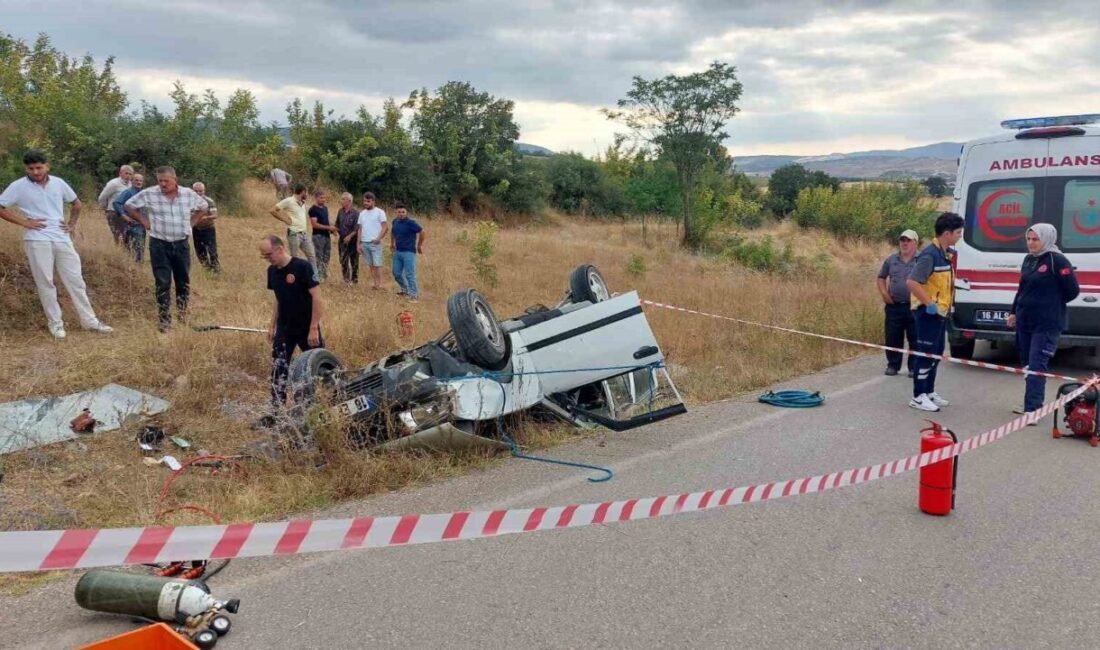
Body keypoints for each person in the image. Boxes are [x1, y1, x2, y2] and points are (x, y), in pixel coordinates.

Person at [0, 150, 113, 338]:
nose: (35, 172)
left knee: (76, 280)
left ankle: (90, 321)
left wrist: (71, 224)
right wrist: (25, 222)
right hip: (37, 238)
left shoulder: (58, 183)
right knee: (45, 281)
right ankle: (56, 324)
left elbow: (76, 203)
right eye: (31, 169)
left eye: (39, 167)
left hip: (61, 237)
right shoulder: (18, 186)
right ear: (26, 168)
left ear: (47, 166)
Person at [124, 166, 212, 331]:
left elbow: (204, 206)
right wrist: (143, 220)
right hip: (159, 244)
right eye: (160, 181)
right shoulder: (149, 193)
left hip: (181, 244)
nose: (163, 184)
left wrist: (191, 223)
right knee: (162, 281)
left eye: (166, 181)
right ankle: (164, 319)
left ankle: (183, 314)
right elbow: (128, 205)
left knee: (183, 280)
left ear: (175, 180)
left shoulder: (188, 194)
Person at [1007, 224, 1080, 420]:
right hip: (1025, 320)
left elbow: (1073, 290)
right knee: (1027, 363)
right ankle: (1030, 401)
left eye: (1035, 239)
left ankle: (1033, 410)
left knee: (1037, 364)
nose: (1031, 243)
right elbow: (1022, 288)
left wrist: (1051, 302)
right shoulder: (1029, 260)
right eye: (1029, 239)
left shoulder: (1057, 260)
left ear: (1046, 239)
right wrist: (1013, 312)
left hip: (1046, 323)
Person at [906, 212, 965, 412]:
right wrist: (929, 303)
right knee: (926, 354)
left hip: (941, 313)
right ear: (946, 233)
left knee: (937, 353)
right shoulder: (930, 254)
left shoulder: (945, 253)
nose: (960, 236)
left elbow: (939, 281)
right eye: (958, 232)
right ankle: (918, 395)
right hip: (927, 313)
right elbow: (912, 282)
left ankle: (929, 391)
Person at [260, 234, 324, 408]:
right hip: (285, 328)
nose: (267, 259)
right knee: (278, 369)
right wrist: (272, 324)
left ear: (280, 249)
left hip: (306, 327)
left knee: (318, 367)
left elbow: (317, 298)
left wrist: (313, 328)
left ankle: (323, 403)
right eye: (263, 256)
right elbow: (278, 299)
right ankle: (277, 411)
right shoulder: (271, 271)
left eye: (268, 255)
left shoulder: (302, 267)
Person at [876, 229, 920, 376]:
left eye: (908, 240)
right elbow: (881, 277)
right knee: (893, 336)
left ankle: (914, 367)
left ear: (916, 242)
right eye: (902, 240)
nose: (905, 243)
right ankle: (893, 365)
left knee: (915, 338)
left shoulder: (922, 260)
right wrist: (884, 293)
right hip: (894, 306)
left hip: (915, 306)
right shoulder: (891, 260)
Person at [270, 184, 317, 272]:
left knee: (311, 255)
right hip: (294, 233)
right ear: (303, 192)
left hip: (304, 233)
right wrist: (284, 219)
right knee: (294, 257)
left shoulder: (302, 202)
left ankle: (314, 277)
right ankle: (293, 277)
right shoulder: (289, 201)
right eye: (306, 192)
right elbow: (272, 210)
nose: (307, 194)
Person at [390, 203, 424, 302]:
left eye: (403, 212)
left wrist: (419, 245)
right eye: (399, 212)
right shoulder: (395, 221)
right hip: (398, 251)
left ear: (406, 212)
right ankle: (405, 290)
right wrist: (392, 244)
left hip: (409, 252)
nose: (401, 214)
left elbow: (422, 232)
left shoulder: (411, 223)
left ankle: (414, 295)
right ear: (396, 212)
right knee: (396, 273)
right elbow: (393, 232)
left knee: (410, 274)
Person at [355, 192, 388, 290]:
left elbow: (385, 227)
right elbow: (360, 229)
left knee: (377, 264)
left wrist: (378, 239)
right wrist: (358, 244)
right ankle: (375, 284)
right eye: (364, 201)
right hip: (364, 243)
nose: (366, 203)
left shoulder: (380, 212)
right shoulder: (362, 213)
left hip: (375, 243)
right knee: (371, 265)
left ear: (373, 201)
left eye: (368, 201)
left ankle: (380, 284)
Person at [96, 164, 133, 245]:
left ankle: (126, 254)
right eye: (126, 173)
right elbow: (102, 197)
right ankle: (118, 253)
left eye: (130, 174)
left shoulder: (131, 184)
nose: (128, 176)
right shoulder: (114, 183)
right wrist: (106, 208)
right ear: (120, 173)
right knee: (118, 235)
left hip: (126, 213)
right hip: (114, 212)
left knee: (127, 235)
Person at [114, 174, 146, 262]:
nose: (139, 182)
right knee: (132, 248)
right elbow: (116, 203)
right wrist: (123, 215)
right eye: (136, 180)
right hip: (131, 225)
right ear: (131, 181)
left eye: (140, 181)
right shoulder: (128, 192)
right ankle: (132, 267)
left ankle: (138, 268)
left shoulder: (143, 193)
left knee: (140, 248)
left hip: (141, 225)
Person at [308, 190, 337, 282]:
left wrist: (332, 230)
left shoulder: (325, 208)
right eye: (321, 198)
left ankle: (323, 275)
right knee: (318, 256)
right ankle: (317, 277)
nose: (323, 199)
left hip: (326, 236)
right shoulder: (313, 209)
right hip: (318, 236)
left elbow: (326, 221)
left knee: (326, 256)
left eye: (324, 198)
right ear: (316, 198)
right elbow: (315, 224)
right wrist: (328, 227)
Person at [191, 182, 219, 272]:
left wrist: (205, 217)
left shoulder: (209, 201)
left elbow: (215, 215)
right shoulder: (189, 201)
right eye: (196, 191)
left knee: (212, 250)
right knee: (199, 251)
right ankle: (206, 269)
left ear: (204, 191)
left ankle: (216, 269)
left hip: (208, 229)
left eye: (200, 191)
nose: (198, 193)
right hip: (195, 229)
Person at [335, 192, 360, 284]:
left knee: (354, 261)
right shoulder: (340, 211)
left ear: (349, 201)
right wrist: (334, 230)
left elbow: (357, 228)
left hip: (353, 241)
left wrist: (350, 236)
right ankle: (346, 280)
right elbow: (337, 224)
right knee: (343, 260)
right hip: (342, 240)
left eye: (343, 199)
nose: (341, 201)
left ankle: (354, 281)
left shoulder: (356, 213)